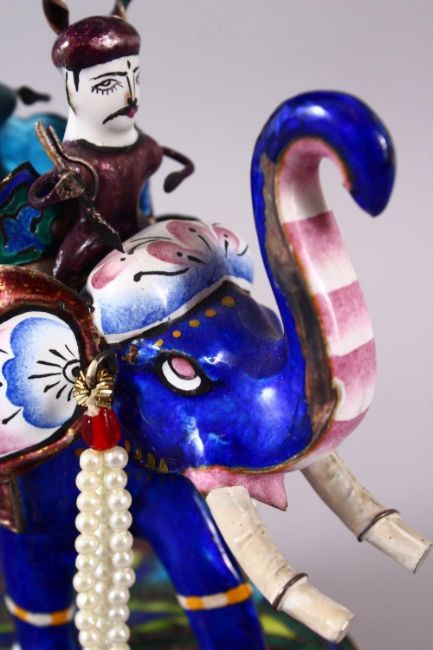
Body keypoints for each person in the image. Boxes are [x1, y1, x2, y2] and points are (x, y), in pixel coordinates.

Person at [29, 1, 194, 289]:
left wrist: (182, 172)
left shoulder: (142, 145)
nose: (131, 97)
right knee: (63, 288)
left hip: (139, 232)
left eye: (135, 78)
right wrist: (58, 189)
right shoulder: (78, 160)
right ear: (71, 89)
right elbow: (38, 196)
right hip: (92, 243)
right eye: (107, 85)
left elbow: (171, 158)